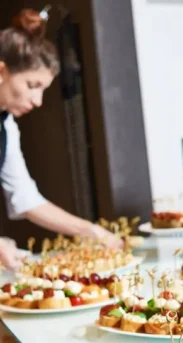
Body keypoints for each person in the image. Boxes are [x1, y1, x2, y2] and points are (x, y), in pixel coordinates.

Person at [0, 8, 122, 270]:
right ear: (2, 71)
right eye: (32, 86)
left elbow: (25, 198)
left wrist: (89, 230)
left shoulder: (6, 126)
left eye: (43, 90)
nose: (38, 101)